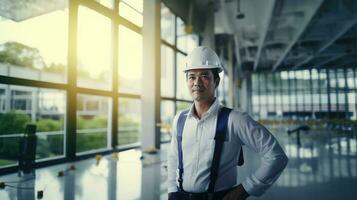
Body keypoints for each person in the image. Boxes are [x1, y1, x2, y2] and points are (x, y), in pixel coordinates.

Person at [167, 46, 288, 200]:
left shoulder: (235, 119)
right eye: (191, 76)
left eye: (204, 76)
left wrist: (244, 190)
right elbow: (173, 158)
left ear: (216, 81)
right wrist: (171, 190)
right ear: (187, 81)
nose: (196, 82)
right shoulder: (179, 119)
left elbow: (276, 156)